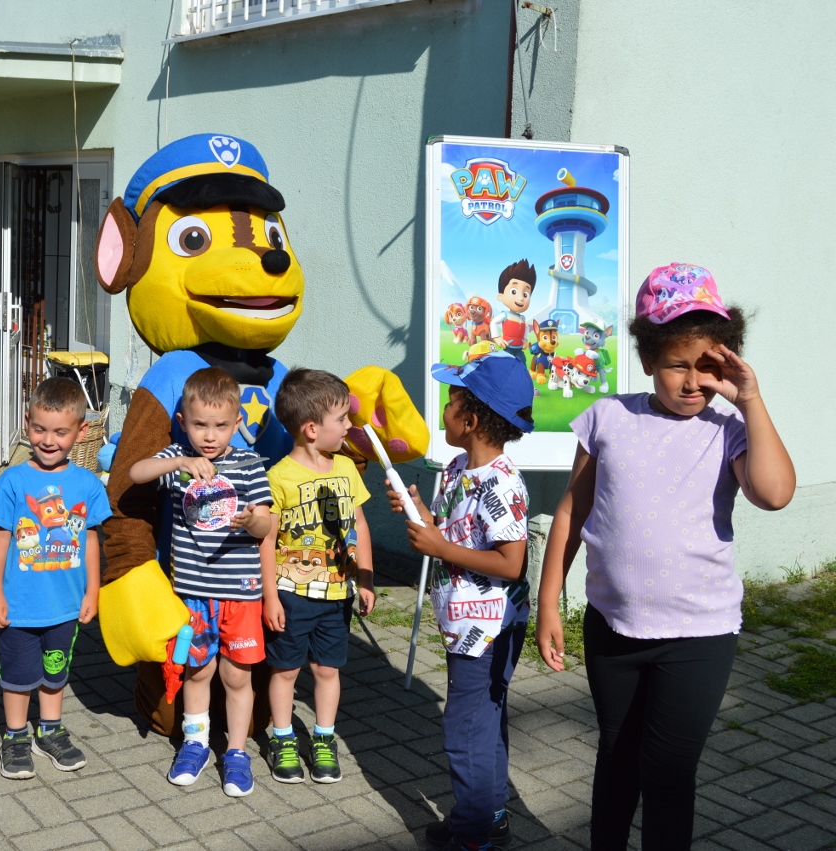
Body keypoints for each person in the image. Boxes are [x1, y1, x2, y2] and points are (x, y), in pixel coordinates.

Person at [537, 263, 794, 851]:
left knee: (669, 774)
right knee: (616, 758)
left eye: (708, 365)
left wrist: (751, 401)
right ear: (649, 358)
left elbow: (775, 493)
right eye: (678, 363)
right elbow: (572, 512)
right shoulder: (608, 416)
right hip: (613, 628)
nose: (693, 380)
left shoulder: (729, 430)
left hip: (698, 636)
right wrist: (550, 601)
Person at [387, 351, 534, 851]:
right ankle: (489, 816)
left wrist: (441, 548)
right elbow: (450, 528)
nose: (444, 410)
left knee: (466, 730)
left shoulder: (502, 483)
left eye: (451, 402)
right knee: (483, 721)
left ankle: (472, 836)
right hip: (463, 622)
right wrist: (421, 514)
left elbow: (511, 563)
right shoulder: (457, 467)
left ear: (470, 421)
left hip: (486, 629)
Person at [129, 367, 274, 797]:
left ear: (237, 423)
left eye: (221, 426)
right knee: (197, 672)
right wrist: (179, 462)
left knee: (237, 678)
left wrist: (251, 522)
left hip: (240, 596)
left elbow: (266, 525)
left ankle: (237, 753)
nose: (209, 436)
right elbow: (135, 473)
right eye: (199, 425)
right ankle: (195, 745)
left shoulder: (248, 464)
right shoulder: (178, 460)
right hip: (191, 596)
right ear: (183, 422)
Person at [0, 377, 111, 780]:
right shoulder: (13, 481)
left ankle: (50, 730)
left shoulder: (88, 485)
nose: (48, 440)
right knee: (18, 676)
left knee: (55, 670)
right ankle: (16, 735)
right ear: (27, 423)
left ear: (80, 432)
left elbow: (90, 538)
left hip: (65, 606)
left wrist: (93, 590)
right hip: (19, 607)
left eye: (60, 432)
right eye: (39, 429)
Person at [261, 368, 375, 786]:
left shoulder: (346, 468)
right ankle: (283, 738)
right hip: (291, 594)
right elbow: (267, 541)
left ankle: (324, 738)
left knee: (328, 669)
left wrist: (366, 579)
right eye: (341, 419)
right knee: (286, 671)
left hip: (337, 593)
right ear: (312, 429)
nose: (348, 426)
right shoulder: (278, 477)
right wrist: (270, 597)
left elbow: (359, 524)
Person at [489, 259, 538, 365]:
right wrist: (497, 337)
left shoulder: (522, 318)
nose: (521, 298)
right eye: (514, 291)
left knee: (522, 362)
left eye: (525, 294)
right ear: (500, 296)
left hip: (519, 348)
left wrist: (525, 340)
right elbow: (493, 322)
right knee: (506, 363)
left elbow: (526, 328)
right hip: (508, 347)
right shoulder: (505, 315)